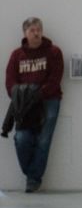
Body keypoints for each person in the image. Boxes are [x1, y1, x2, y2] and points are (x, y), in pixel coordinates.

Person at [4, 17, 64, 192]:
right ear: (25, 33)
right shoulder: (17, 55)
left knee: (43, 140)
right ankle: (32, 173)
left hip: (49, 101)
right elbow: (10, 81)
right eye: (32, 30)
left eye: (38, 29)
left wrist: (38, 94)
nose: (36, 33)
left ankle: (33, 180)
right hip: (24, 104)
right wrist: (20, 95)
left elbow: (55, 79)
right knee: (22, 139)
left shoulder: (54, 52)